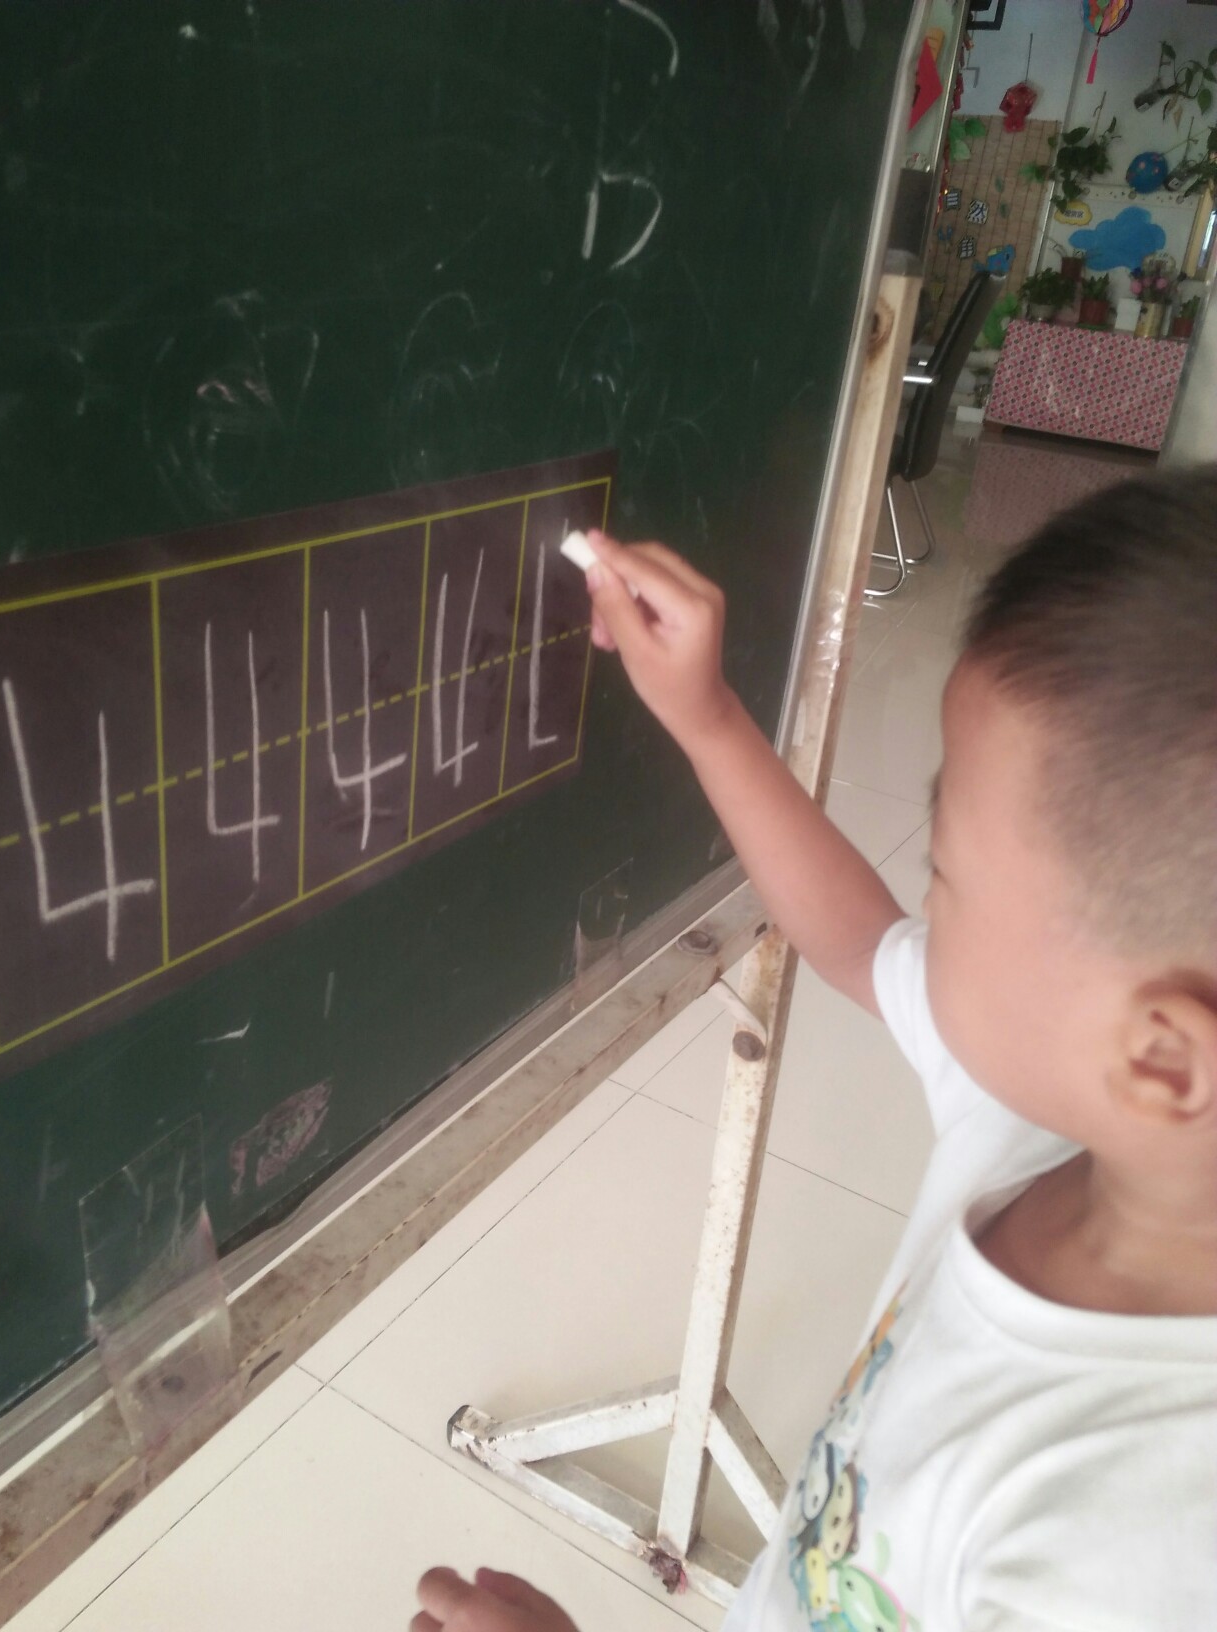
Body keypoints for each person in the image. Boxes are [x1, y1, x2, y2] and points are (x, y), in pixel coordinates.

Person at [412, 472, 1217, 1632]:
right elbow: (854, 938)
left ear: (1164, 1060)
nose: (923, 904)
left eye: (947, 875)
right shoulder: (1056, 1121)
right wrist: (706, 718)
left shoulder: (1133, 1555)